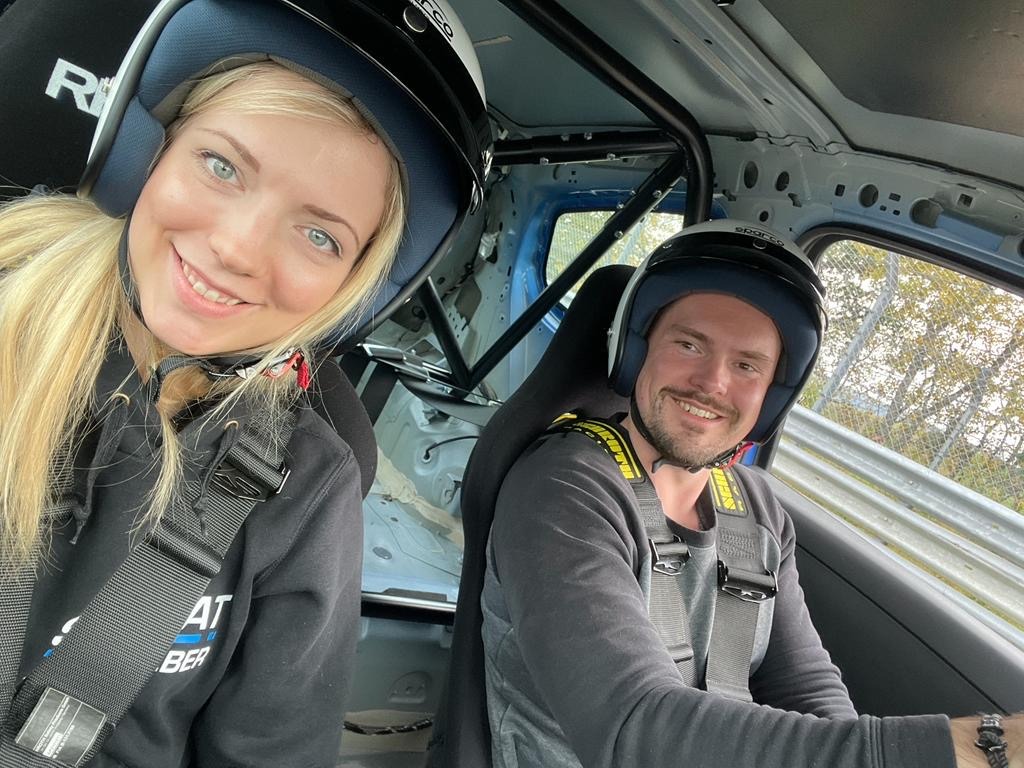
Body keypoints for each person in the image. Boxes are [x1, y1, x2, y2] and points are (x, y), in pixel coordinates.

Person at [0, 0, 489, 766]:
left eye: (320, 234)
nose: (237, 248)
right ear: (144, 152)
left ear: (352, 286)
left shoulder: (305, 486)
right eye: (221, 165)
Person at [481, 219, 1022, 768]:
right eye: (689, 344)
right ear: (635, 350)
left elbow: (804, 685)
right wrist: (966, 750)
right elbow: (631, 725)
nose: (713, 383)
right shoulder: (562, 486)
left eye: (747, 365)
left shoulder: (757, 509)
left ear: (772, 394)